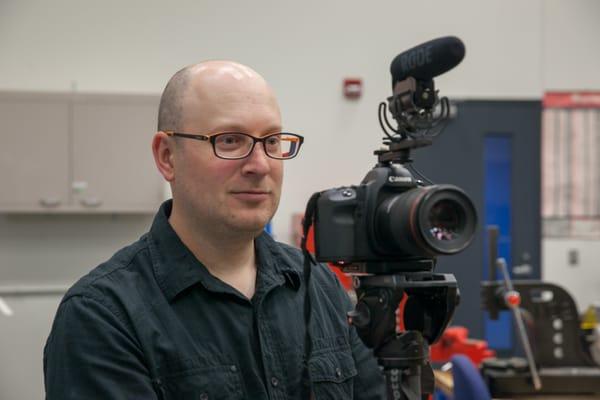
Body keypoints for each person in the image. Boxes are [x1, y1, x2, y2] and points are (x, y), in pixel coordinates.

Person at [43, 60, 385, 399]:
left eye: (271, 141)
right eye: (231, 140)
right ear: (167, 156)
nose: (260, 165)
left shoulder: (317, 285)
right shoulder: (102, 317)